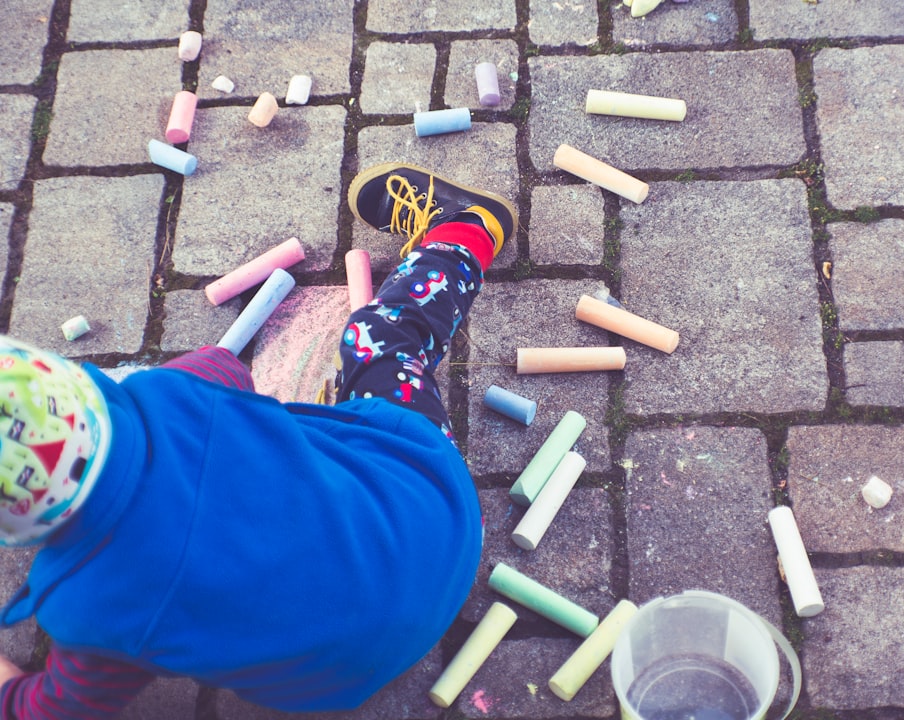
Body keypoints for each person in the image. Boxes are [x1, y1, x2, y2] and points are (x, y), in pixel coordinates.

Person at [0, 163, 518, 718]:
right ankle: (470, 229)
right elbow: (227, 368)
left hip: (345, 674)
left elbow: (45, 710)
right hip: (438, 521)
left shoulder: (90, 611)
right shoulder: (173, 395)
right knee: (380, 339)